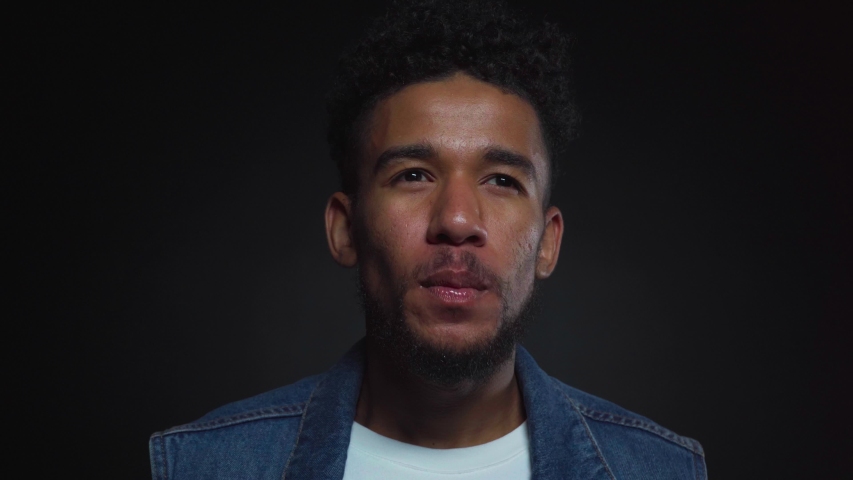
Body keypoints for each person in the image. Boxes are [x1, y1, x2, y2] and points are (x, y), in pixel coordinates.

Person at [149, 1, 706, 478]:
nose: (457, 220)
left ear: (547, 243)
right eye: (413, 175)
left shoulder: (658, 469)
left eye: (502, 180)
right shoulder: (206, 465)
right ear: (345, 229)